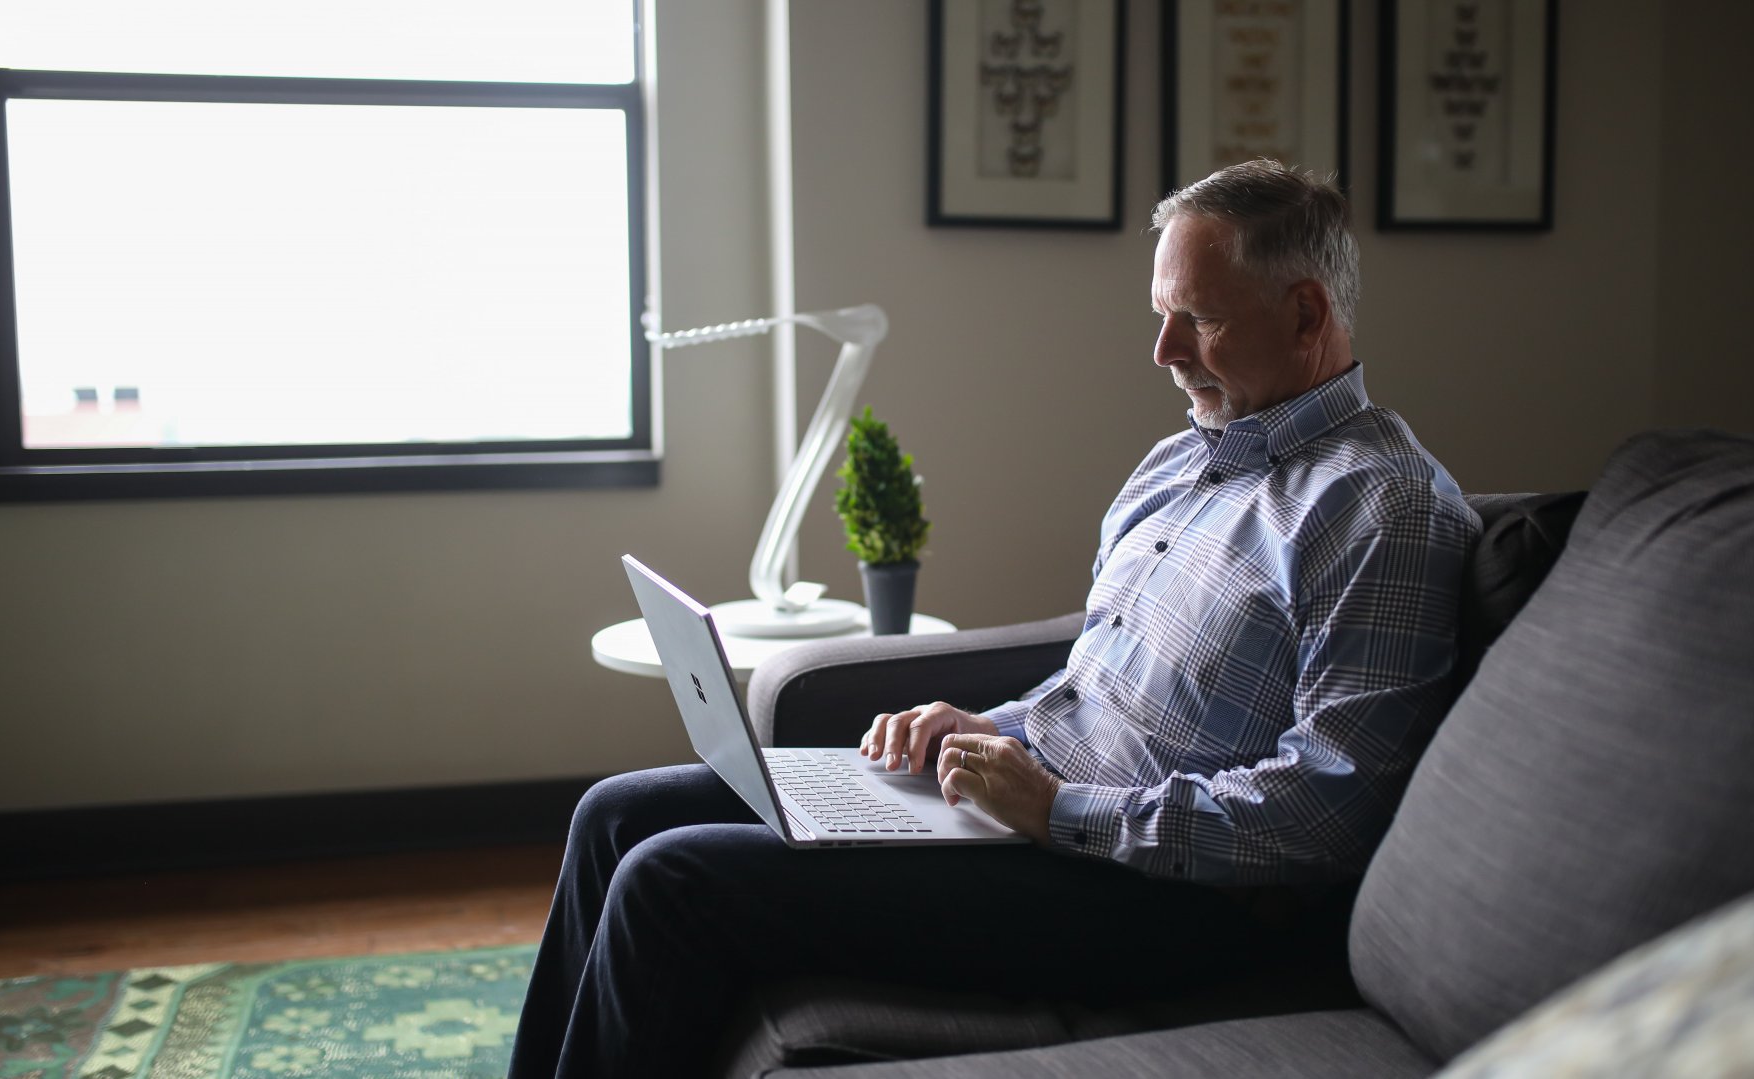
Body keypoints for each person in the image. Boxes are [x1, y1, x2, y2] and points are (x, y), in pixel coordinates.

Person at [507, 159, 1481, 1078]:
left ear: (1306, 311)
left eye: (1199, 318)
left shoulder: (1382, 511)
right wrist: (988, 731)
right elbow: (1098, 684)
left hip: (1163, 894)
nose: (1164, 351)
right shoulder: (1181, 464)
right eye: (1161, 314)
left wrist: (1056, 810)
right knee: (616, 812)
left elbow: (1328, 808)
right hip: (1039, 818)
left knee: (671, 882)